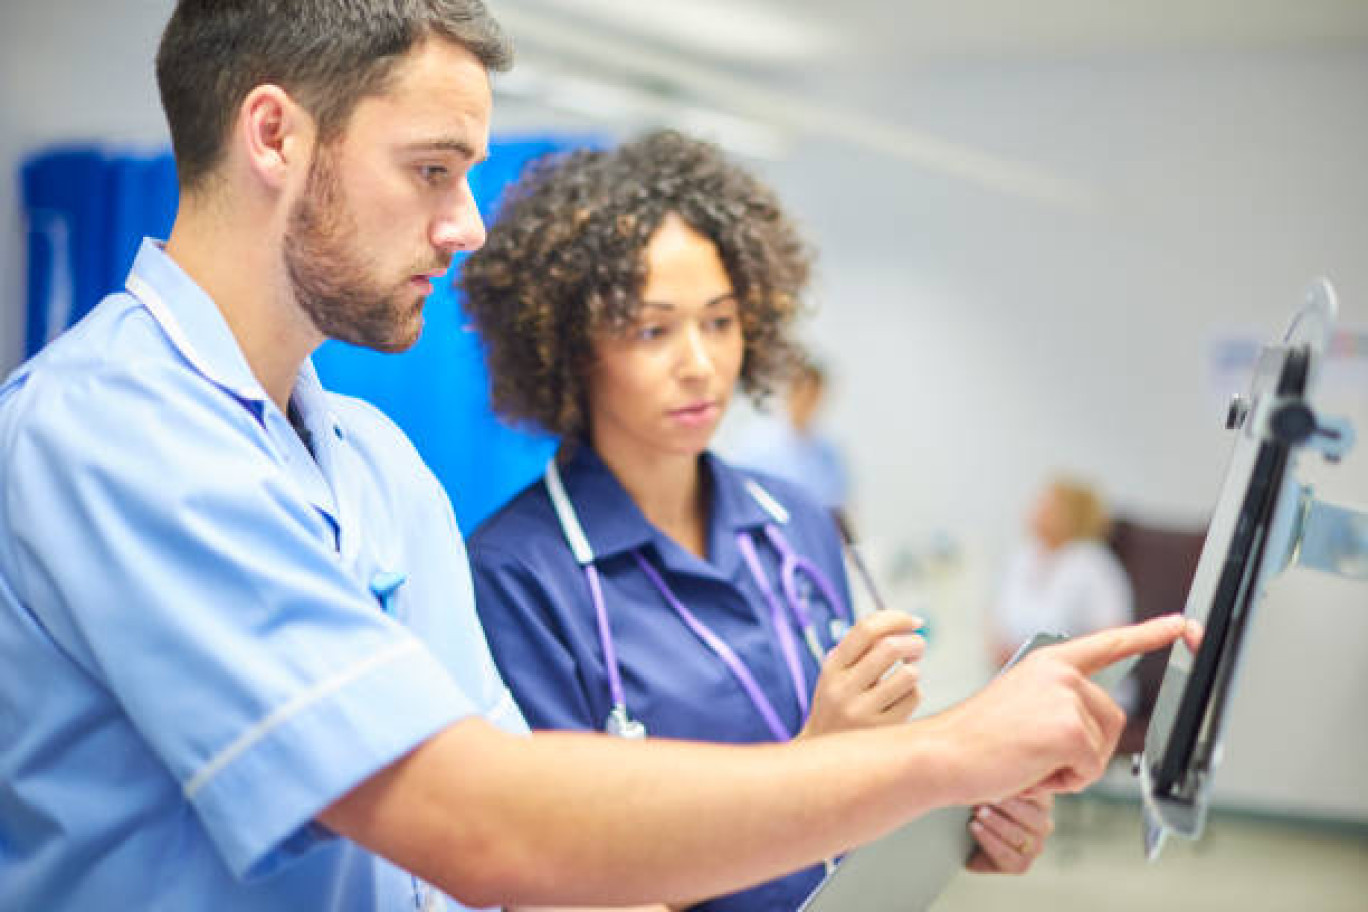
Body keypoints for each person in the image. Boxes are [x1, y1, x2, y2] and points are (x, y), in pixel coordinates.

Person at [0, 2, 1192, 910]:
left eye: (720, 323)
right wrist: (936, 756)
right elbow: (482, 823)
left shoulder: (370, 461)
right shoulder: (111, 436)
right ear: (273, 135)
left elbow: (533, 870)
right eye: (432, 169)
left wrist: (896, 806)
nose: (465, 224)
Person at [461, 130, 1044, 910]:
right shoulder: (517, 573)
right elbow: (559, 881)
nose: (700, 363)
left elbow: (861, 786)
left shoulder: (796, 523)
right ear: (571, 349)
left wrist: (958, 809)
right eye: (651, 329)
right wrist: (814, 765)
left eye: (720, 321)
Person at [990, 478, 1136, 682]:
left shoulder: (1093, 563)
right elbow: (998, 627)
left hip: (1080, 684)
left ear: (1074, 515)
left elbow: (1112, 639)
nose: (1038, 509)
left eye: (1050, 505)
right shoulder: (1023, 557)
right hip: (1021, 680)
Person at [729, 357, 851, 514]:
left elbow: (838, 503)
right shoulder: (758, 445)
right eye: (803, 394)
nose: (808, 403)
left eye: (814, 395)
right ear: (790, 393)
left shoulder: (829, 452)